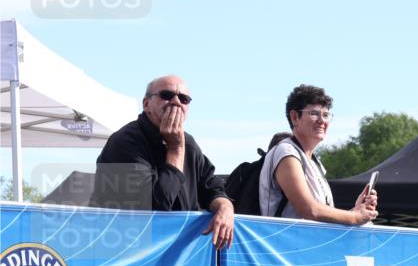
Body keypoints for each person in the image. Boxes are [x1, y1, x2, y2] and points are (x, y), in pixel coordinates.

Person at [91, 75, 234, 249]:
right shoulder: (126, 141)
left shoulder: (188, 144)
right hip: (129, 252)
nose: (176, 102)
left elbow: (212, 188)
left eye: (184, 99)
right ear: (146, 104)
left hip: (178, 255)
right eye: (167, 95)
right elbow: (155, 209)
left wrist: (225, 208)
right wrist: (175, 150)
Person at [260, 84, 377, 224]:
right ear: (294, 117)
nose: (322, 121)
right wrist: (356, 217)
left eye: (326, 115)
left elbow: (321, 217)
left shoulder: (315, 163)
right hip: (283, 239)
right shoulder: (286, 152)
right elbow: (310, 210)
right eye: (314, 113)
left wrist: (356, 210)